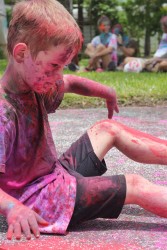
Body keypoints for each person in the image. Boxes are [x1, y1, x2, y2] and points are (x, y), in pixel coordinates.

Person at [1, 0, 167, 242]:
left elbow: (69, 83)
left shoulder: (34, 81)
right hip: (43, 202)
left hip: (55, 175)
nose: (57, 75)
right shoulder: (4, 112)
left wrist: (105, 91)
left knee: (107, 129)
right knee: (135, 186)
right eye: (54, 66)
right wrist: (13, 209)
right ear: (21, 53)